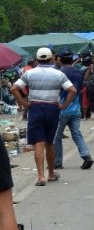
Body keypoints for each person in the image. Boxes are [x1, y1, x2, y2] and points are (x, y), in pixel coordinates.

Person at [11, 47, 77, 186]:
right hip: (52, 108)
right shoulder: (58, 74)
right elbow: (72, 90)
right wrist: (63, 105)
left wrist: (24, 103)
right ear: (51, 58)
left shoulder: (30, 74)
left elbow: (14, 88)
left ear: (37, 59)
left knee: (38, 143)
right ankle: (51, 173)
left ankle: (41, 176)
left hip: (35, 108)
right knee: (49, 142)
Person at [53, 50, 93, 171]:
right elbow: (82, 87)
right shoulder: (79, 73)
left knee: (57, 137)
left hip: (62, 109)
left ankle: (58, 162)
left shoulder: (58, 73)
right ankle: (86, 156)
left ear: (60, 60)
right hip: (76, 109)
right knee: (76, 134)